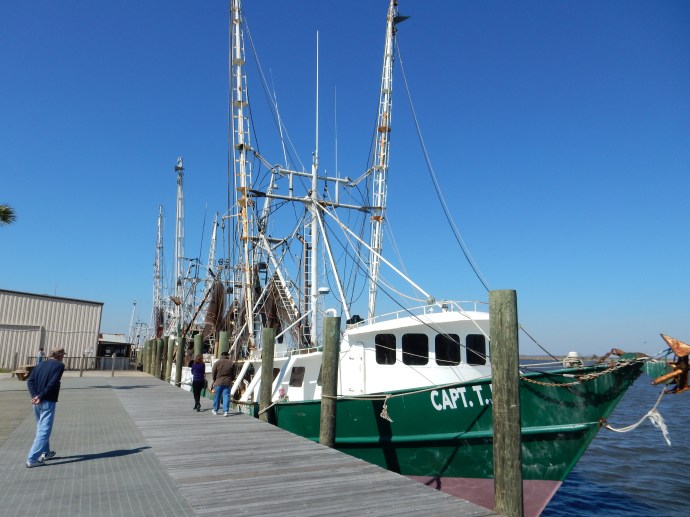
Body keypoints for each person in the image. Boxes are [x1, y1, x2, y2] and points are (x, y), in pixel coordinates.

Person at [26, 346, 66, 468]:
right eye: (63, 355)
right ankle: (32, 459)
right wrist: (41, 396)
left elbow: (30, 381)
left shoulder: (39, 365)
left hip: (37, 401)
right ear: (59, 355)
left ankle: (46, 452)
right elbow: (53, 383)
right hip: (47, 400)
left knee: (40, 426)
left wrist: (35, 395)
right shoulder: (59, 366)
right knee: (44, 430)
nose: (63, 357)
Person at [211, 351, 233, 416]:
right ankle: (225, 411)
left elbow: (213, 372)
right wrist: (232, 379)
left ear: (221, 355)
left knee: (217, 396)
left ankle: (215, 410)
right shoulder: (231, 363)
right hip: (227, 382)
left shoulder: (217, 363)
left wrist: (214, 379)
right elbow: (233, 373)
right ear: (227, 356)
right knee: (226, 396)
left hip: (218, 382)